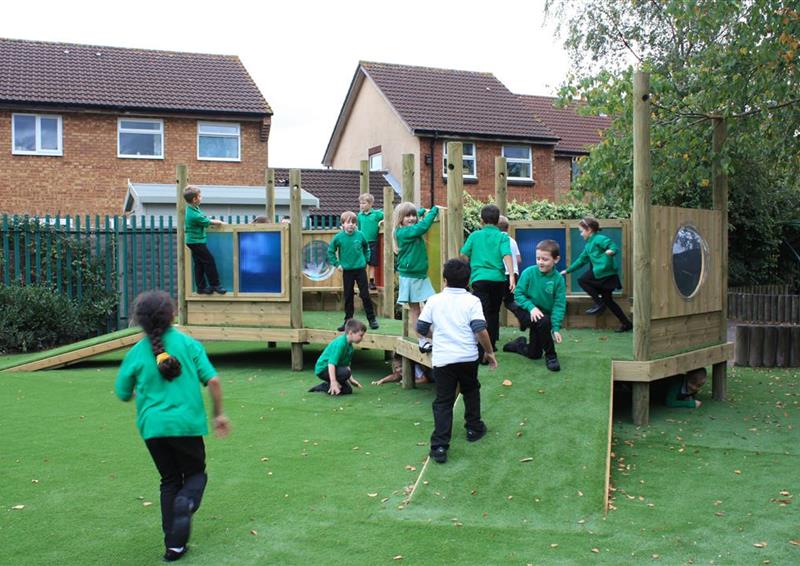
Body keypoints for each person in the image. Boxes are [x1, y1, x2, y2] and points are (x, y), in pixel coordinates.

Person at [115, 291, 230, 562]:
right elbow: (213, 381)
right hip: (186, 426)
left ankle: (174, 545)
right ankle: (186, 502)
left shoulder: (135, 353)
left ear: (138, 320)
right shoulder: (189, 345)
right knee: (195, 476)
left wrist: (139, 393)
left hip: (153, 429)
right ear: (173, 315)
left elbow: (122, 392)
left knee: (169, 480)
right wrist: (218, 415)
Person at [417, 258, 495, 464]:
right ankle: (473, 428)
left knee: (443, 400)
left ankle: (440, 446)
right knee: (471, 390)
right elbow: (480, 330)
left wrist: (439, 336)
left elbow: (421, 328)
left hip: (443, 358)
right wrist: (490, 352)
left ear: (444, 280)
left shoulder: (434, 300)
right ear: (468, 280)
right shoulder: (472, 301)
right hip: (468, 356)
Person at [460, 204, 515, 357]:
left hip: (479, 279)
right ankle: (492, 346)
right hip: (498, 279)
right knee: (493, 312)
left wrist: (469, 267)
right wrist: (511, 275)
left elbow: (463, 254)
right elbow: (507, 255)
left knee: (481, 312)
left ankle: (481, 348)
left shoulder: (474, 236)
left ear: (481, 220)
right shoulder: (503, 237)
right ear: (498, 221)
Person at [505, 239, 566, 372]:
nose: (540, 262)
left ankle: (518, 344)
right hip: (526, 309)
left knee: (534, 354)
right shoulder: (529, 272)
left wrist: (555, 328)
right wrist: (531, 307)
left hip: (542, 315)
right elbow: (518, 294)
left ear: (556, 259)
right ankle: (551, 356)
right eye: (538, 258)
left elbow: (559, 305)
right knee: (544, 321)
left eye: (545, 259)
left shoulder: (558, 280)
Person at [562, 216, 632, 332]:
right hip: (602, 275)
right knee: (608, 300)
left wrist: (611, 251)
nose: (581, 234)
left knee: (582, 280)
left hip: (605, 272)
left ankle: (599, 303)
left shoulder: (599, 238)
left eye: (581, 231)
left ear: (589, 230)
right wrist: (567, 270)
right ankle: (626, 323)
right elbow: (581, 260)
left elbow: (613, 246)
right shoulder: (588, 245)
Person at [393, 202, 439, 353]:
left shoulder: (407, 229)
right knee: (415, 310)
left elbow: (416, 223)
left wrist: (418, 213)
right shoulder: (404, 232)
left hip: (419, 274)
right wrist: (434, 211)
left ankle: (433, 335)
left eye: (413, 215)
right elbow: (422, 227)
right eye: (407, 216)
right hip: (411, 276)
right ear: (400, 219)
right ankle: (422, 340)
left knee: (431, 303)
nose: (411, 218)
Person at [327, 211, 379, 331]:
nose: (351, 225)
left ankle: (372, 319)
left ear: (356, 224)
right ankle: (348, 321)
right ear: (342, 225)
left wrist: (366, 259)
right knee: (348, 296)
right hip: (347, 271)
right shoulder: (339, 237)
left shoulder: (360, 235)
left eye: (353, 222)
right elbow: (330, 251)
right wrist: (337, 264)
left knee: (365, 294)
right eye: (348, 222)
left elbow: (367, 248)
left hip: (360, 269)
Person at [184, 185, 226, 295]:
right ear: (194, 199)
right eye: (200, 196)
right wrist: (221, 223)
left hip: (194, 241)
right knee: (209, 261)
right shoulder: (193, 215)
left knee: (199, 264)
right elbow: (208, 222)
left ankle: (201, 288)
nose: (201, 198)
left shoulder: (192, 209)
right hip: (196, 242)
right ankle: (215, 285)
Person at [308, 318, 366, 395]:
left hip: (333, 368)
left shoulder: (350, 347)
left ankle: (325, 386)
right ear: (351, 333)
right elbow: (331, 364)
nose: (362, 338)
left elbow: (346, 365)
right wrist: (333, 382)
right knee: (345, 373)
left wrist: (352, 380)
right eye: (361, 335)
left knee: (347, 390)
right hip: (323, 369)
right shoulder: (340, 344)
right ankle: (330, 385)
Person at [497, 215, 530, 330]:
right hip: (514, 274)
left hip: (501, 273)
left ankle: (494, 333)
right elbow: (519, 259)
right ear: (507, 227)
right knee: (509, 301)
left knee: (495, 304)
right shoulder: (512, 241)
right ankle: (522, 314)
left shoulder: (496, 240)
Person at [357, 193, 384, 290]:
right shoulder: (359, 216)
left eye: (364, 203)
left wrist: (382, 221)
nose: (361, 205)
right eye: (360, 203)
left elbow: (387, 216)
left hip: (373, 242)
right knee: (363, 262)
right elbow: (358, 229)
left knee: (372, 262)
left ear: (370, 204)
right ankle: (362, 281)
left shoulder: (376, 214)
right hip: (363, 242)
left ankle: (371, 281)